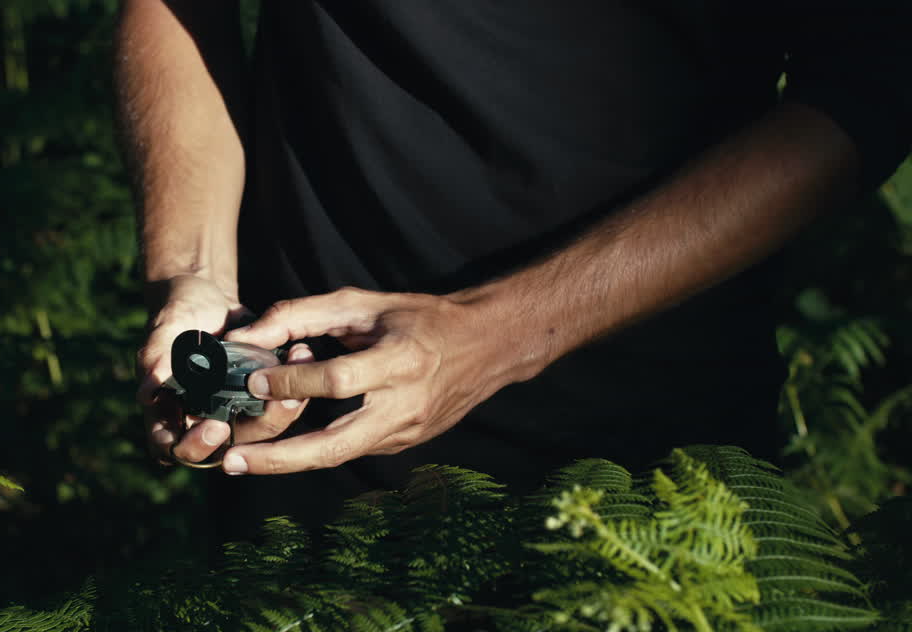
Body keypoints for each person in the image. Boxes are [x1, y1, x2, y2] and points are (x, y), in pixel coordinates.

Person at [117, 1, 911, 536]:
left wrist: (500, 333)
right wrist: (196, 275)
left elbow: (869, 87)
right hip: (300, 462)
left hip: (648, 489)